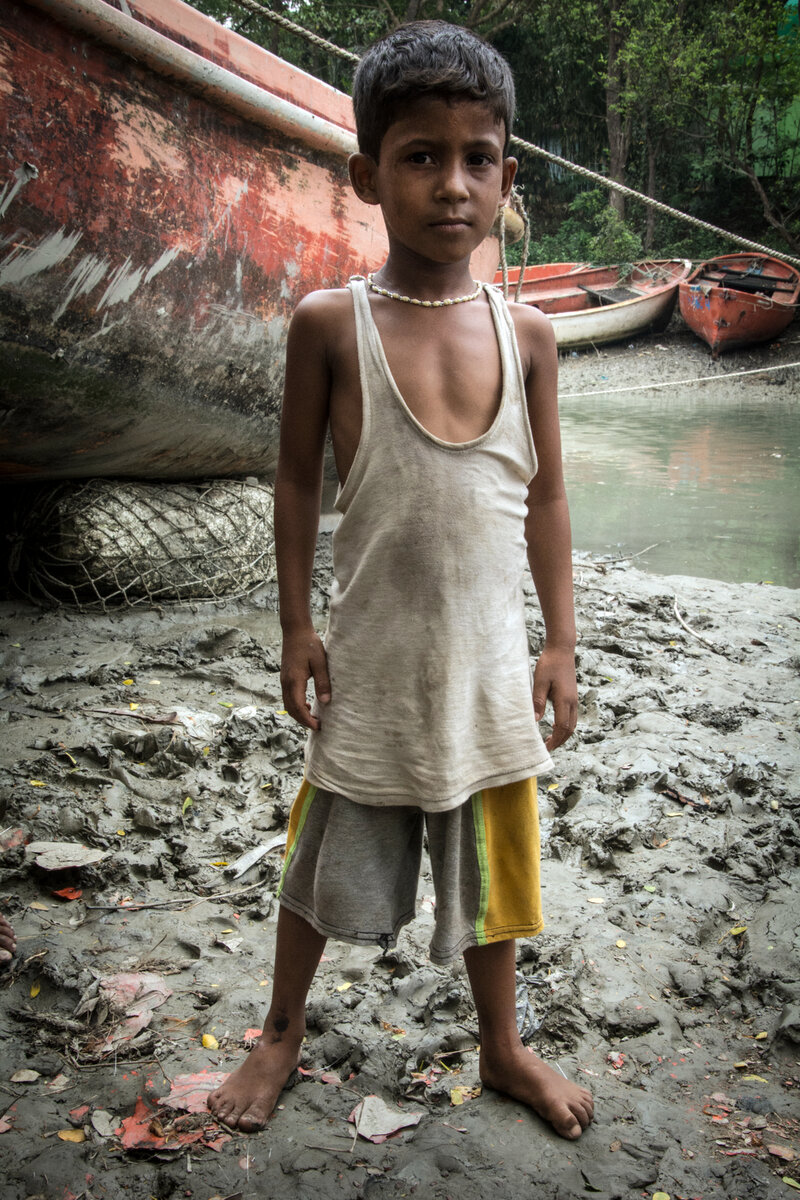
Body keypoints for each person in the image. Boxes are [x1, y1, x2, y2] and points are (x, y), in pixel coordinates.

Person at [209, 20, 592, 1140]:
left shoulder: (526, 336)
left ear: (506, 176)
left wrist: (559, 643)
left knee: (492, 875)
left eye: (477, 157)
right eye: (419, 157)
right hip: (370, 660)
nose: (451, 184)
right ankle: (279, 1034)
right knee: (322, 860)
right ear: (365, 175)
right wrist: (293, 628)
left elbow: (549, 501)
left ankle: (503, 1045)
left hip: (484, 672)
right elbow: (291, 486)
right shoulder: (330, 325)